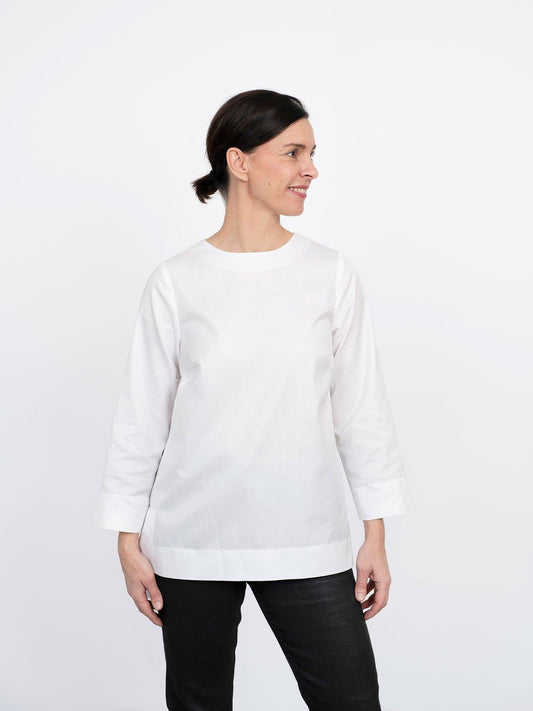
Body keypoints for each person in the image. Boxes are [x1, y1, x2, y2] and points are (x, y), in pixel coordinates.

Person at [95, 88, 413, 710]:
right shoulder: (176, 281)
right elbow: (142, 418)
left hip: (305, 532)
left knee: (351, 698)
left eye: (312, 153)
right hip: (193, 541)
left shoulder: (330, 274)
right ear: (238, 161)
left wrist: (374, 532)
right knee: (199, 702)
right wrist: (127, 539)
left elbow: (361, 411)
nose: (310, 169)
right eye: (293, 153)